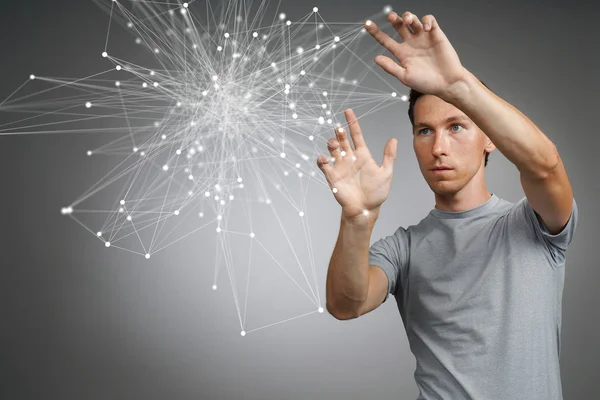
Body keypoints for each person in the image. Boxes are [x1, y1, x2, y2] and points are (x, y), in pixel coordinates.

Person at [317, 11, 578, 400]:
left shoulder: (534, 224)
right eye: (425, 131)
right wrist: (357, 218)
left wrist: (459, 86)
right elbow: (345, 304)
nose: (438, 147)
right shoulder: (403, 249)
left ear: (489, 138)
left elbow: (544, 166)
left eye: (457, 126)